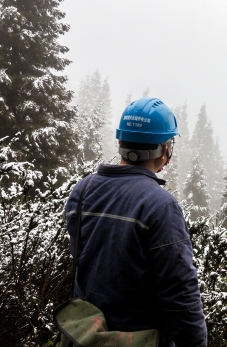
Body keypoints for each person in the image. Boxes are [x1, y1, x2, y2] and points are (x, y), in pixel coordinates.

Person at [64, 97, 207, 346]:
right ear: (165, 150)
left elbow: (83, 261)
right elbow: (181, 295)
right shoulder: (161, 206)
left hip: (83, 337)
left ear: (121, 141)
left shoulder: (83, 190)